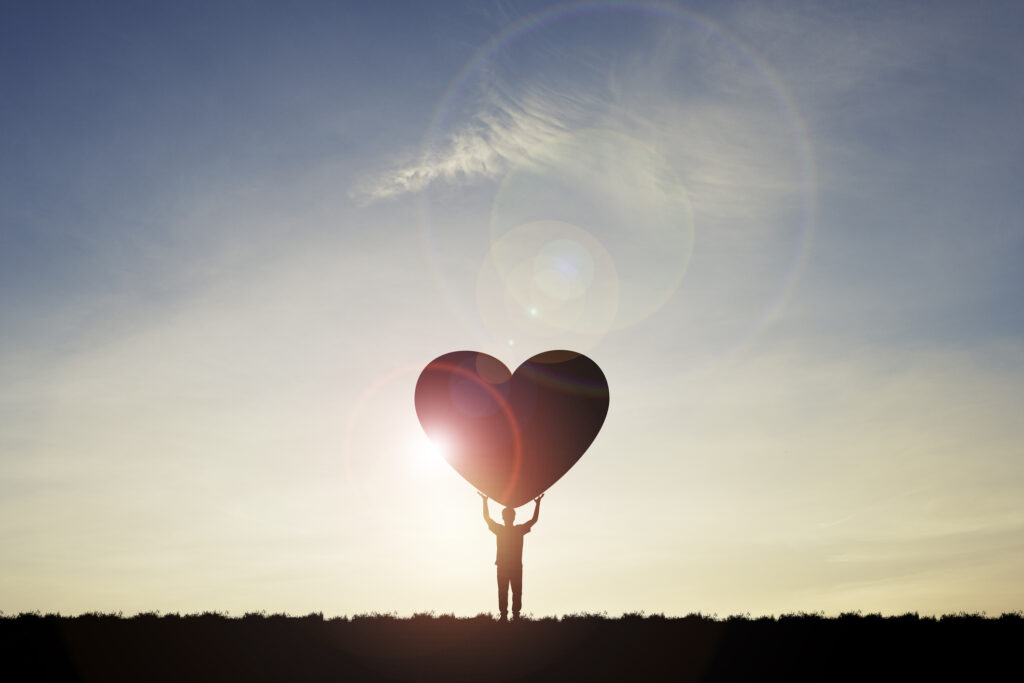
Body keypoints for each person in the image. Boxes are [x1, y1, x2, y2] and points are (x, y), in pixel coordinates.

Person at [479, 491, 543, 621]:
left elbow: (487, 518)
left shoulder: (501, 530)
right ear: (513, 517)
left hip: (505, 566)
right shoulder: (518, 530)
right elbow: (534, 520)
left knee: (504, 591)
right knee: (515, 591)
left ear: (503, 517)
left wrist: (485, 501)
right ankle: (514, 616)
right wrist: (537, 504)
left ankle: (506, 616)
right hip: (514, 567)